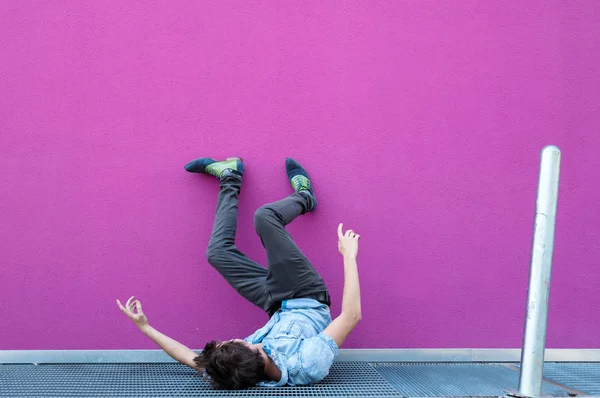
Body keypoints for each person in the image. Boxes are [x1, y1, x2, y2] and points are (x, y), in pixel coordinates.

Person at [116, 157, 361, 389]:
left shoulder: (235, 372)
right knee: (265, 217)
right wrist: (348, 255)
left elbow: (190, 358)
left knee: (217, 254)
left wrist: (145, 327)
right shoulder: (308, 363)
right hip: (305, 295)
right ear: (255, 351)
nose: (237, 338)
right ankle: (305, 196)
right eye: (239, 341)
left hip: (275, 305)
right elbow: (351, 316)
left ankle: (229, 175)